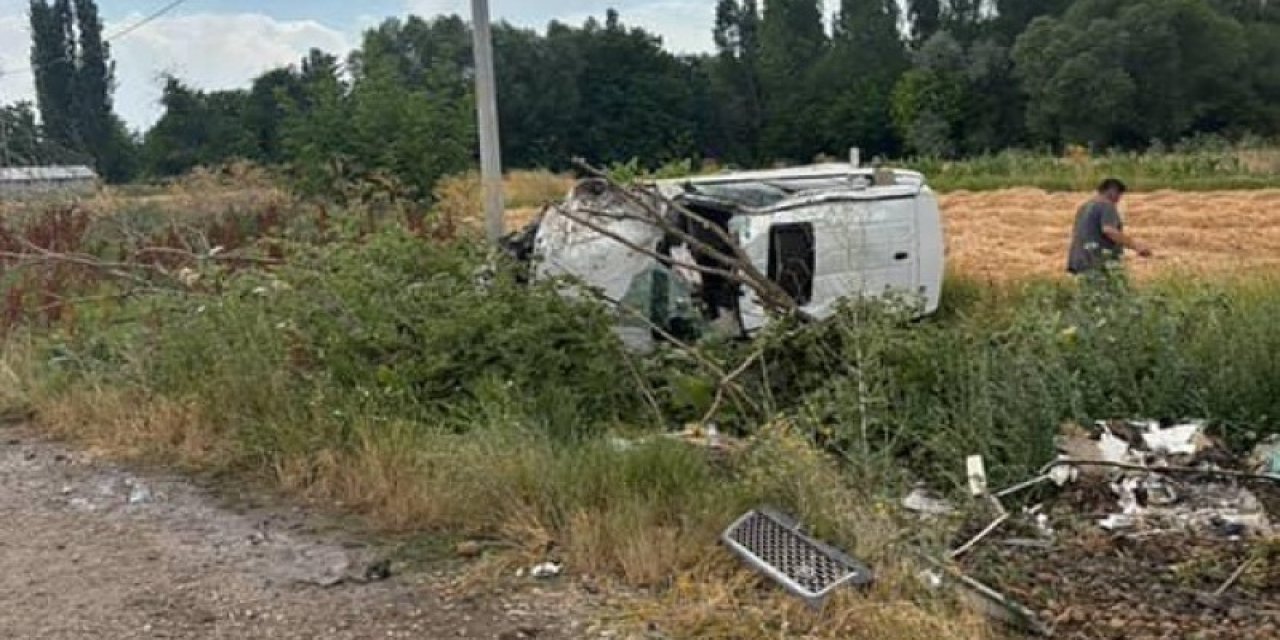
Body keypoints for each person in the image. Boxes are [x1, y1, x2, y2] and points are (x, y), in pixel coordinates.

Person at [1066, 178, 1152, 280]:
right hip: (1097, 263)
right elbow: (1109, 230)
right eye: (1119, 194)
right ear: (1112, 190)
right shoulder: (1107, 206)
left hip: (1078, 261)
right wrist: (1136, 246)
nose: (1118, 199)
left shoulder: (1084, 207)